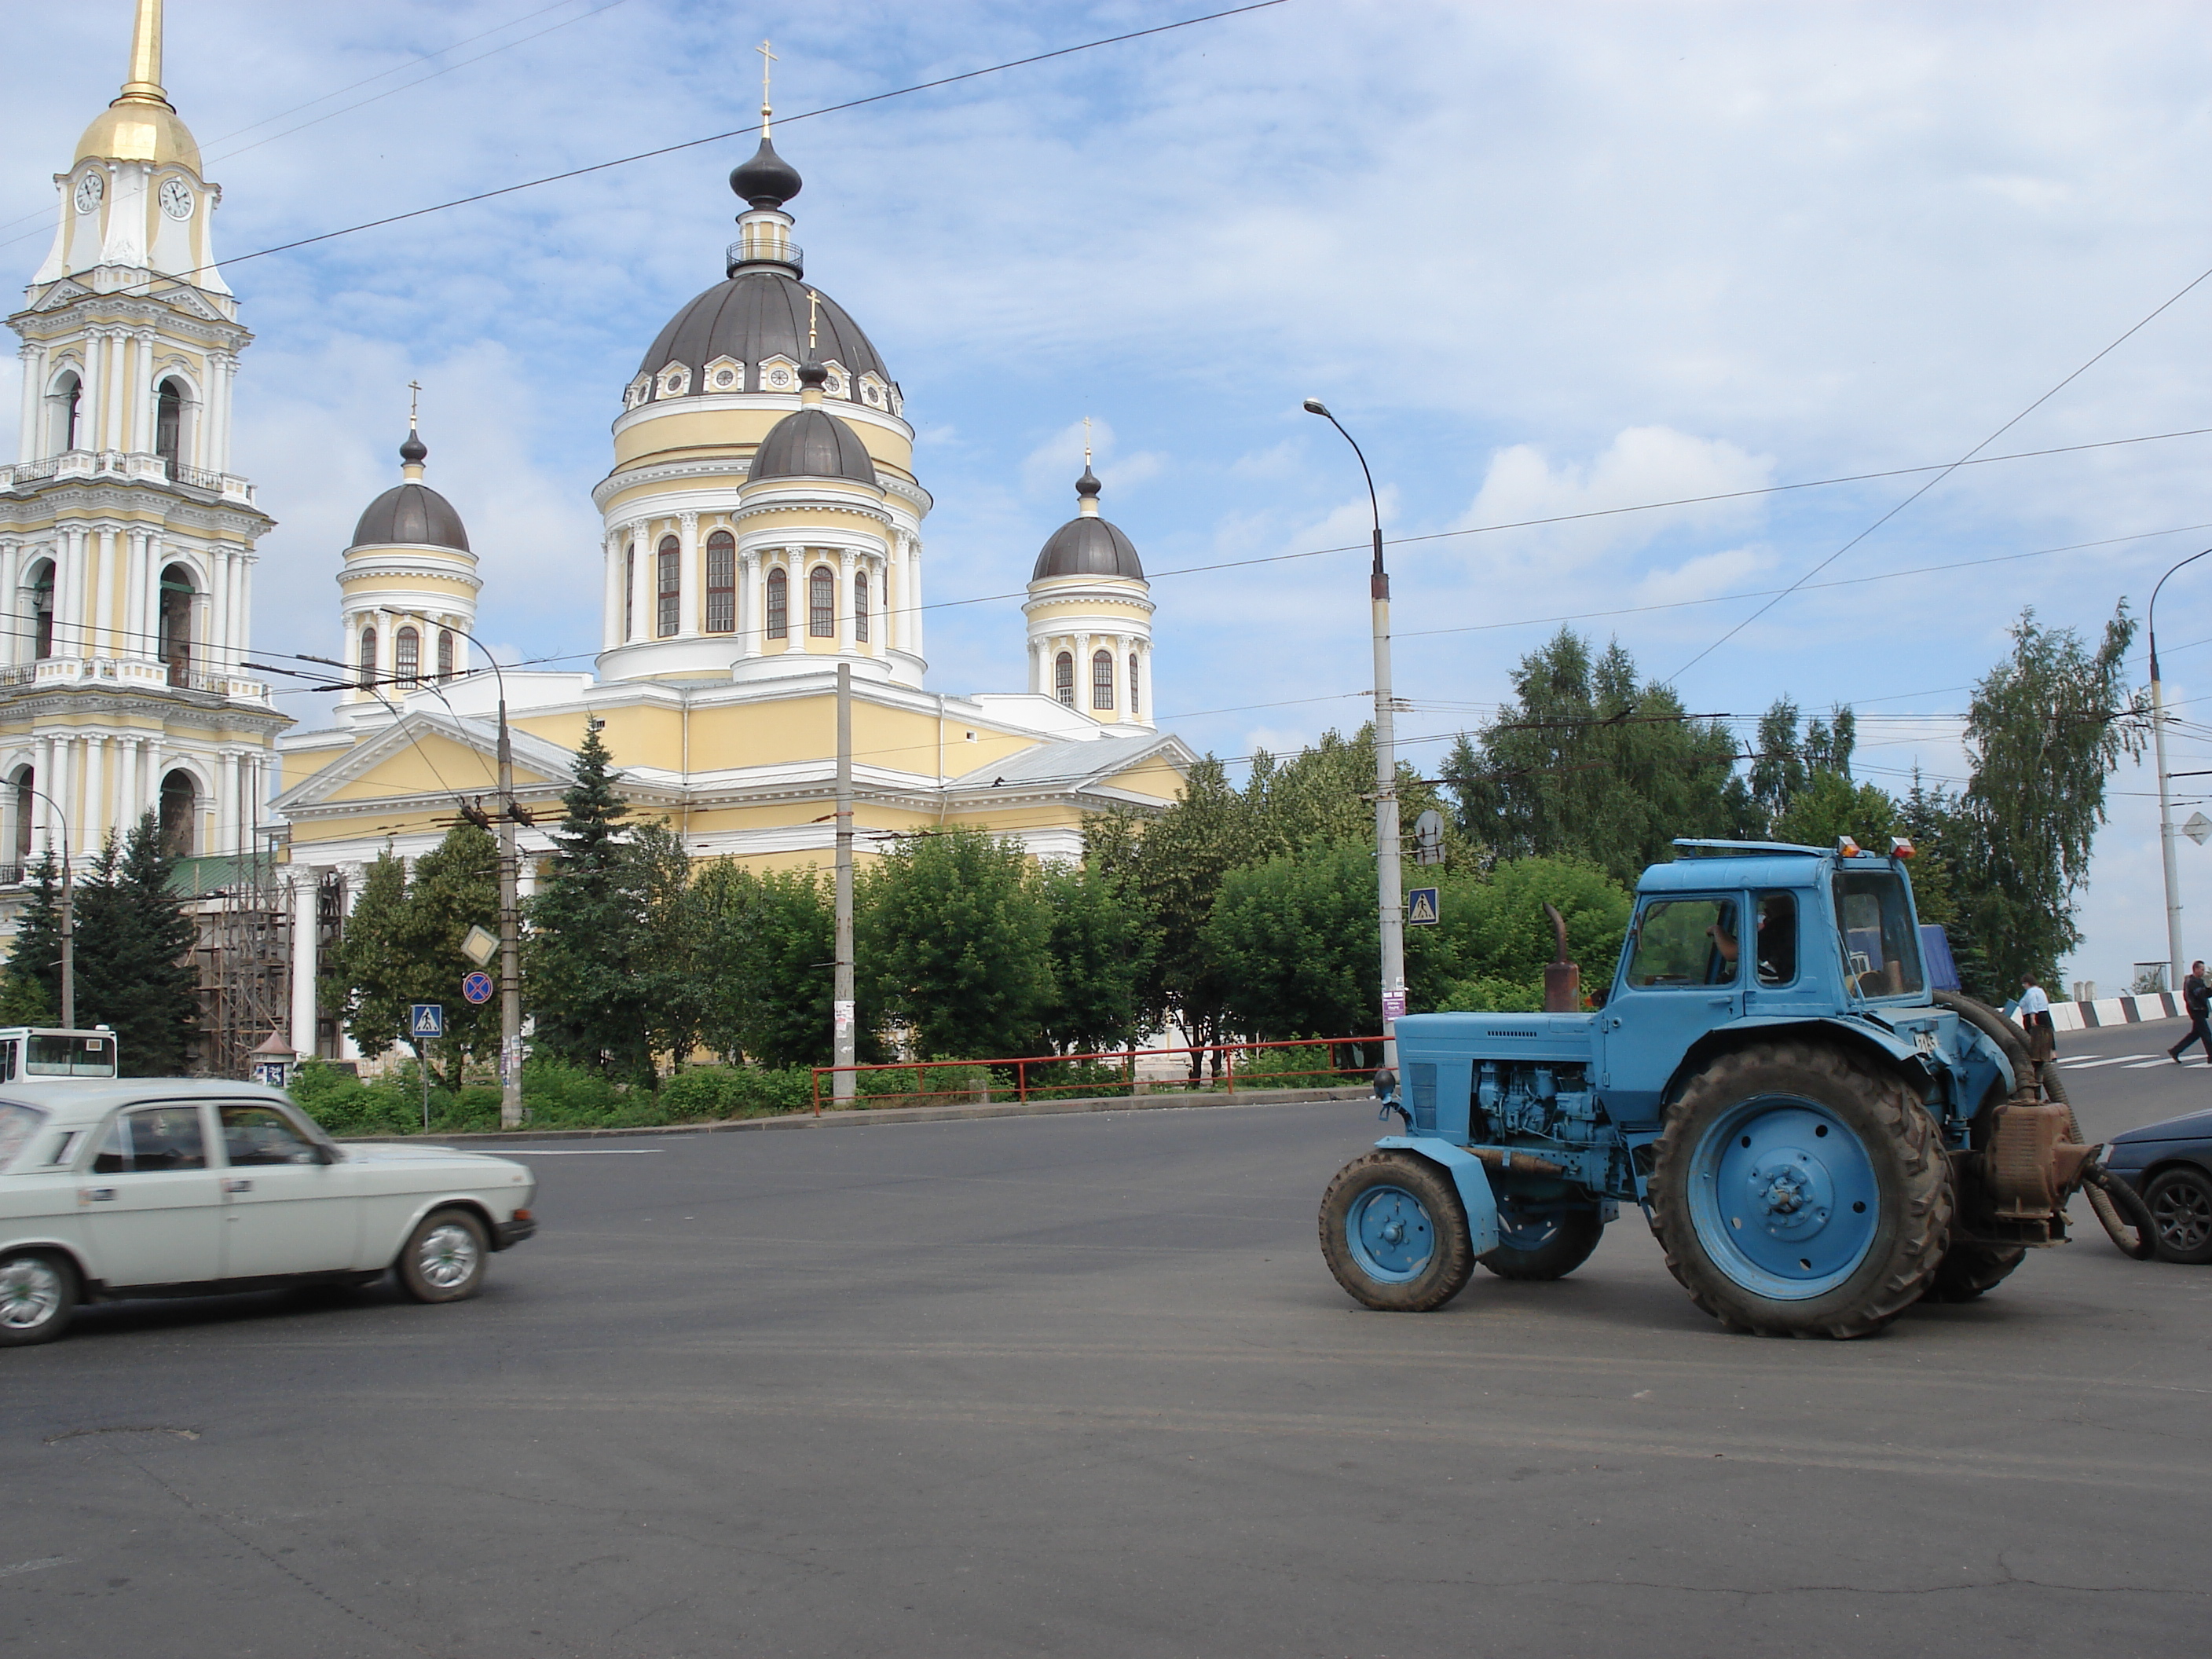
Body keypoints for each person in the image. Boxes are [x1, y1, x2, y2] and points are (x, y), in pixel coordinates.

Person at [2171, 961, 2212, 1064]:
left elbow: (2206, 994)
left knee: (2195, 1034)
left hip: (2200, 1010)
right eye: (2202, 969)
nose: (2203, 972)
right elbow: (2200, 994)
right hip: (2196, 1010)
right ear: (2196, 969)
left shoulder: (2199, 981)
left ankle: (2175, 1051)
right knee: (2207, 1034)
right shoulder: (2191, 982)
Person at [2016, 973, 2056, 1068]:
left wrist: (2033, 1018)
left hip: (2034, 1015)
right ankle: (2052, 1054)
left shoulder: (2031, 992)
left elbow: (2032, 1004)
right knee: (2047, 1034)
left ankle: (2037, 1056)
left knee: (2034, 1036)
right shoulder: (2040, 991)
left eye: (2024, 983)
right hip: (2045, 1013)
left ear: (2028, 983)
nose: (2023, 985)